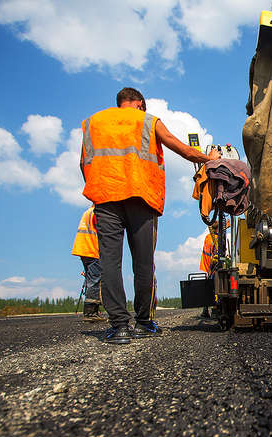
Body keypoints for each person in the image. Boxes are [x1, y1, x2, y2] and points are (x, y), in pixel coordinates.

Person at [81, 87, 220, 344]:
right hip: (141, 198)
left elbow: (84, 163)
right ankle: (143, 323)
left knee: (110, 263)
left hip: (105, 198)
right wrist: (208, 158)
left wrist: (98, 190)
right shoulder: (147, 121)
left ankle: (119, 327)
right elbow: (182, 149)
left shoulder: (92, 123)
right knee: (143, 263)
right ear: (140, 104)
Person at [71, 205, 104, 322]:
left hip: (84, 249)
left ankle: (92, 311)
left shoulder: (88, 211)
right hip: (92, 249)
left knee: (91, 279)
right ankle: (91, 313)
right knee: (95, 280)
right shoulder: (97, 212)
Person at [198, 223, 216, 318]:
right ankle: (213, 310)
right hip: (213, 267)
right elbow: (213, 256)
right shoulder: (215, 239)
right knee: (213, 288)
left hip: (208, 266)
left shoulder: (208, 237)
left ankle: (205, 310)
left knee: (209, 288)